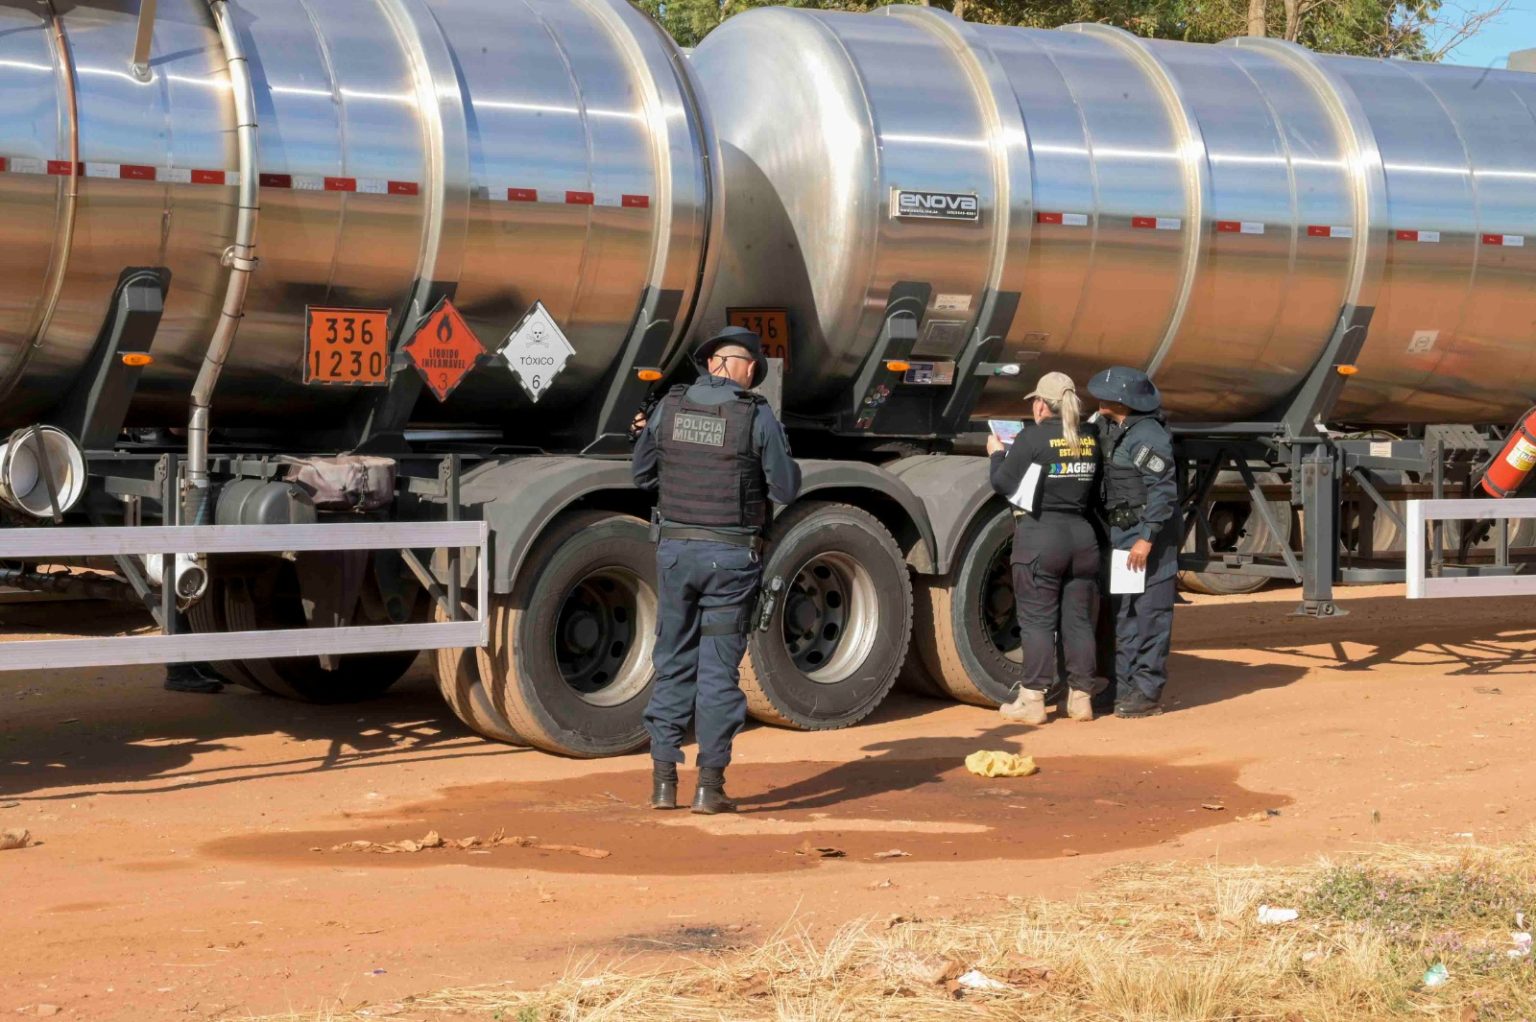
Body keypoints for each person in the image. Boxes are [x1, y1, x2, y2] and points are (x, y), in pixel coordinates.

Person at [631, 326, 802, 814]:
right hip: (730, 559)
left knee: (672, 662)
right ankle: (709, 787)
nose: (753, 377)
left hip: (675, 554)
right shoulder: (755, 413)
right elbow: (786, 488)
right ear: (741, 367)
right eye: (753, 369)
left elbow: (641, 475)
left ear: (711, 364)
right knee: (718, 672)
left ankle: (663, 783)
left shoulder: (669, 406)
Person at [985, 372, 1104, 724]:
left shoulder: (1032, 437)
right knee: (1079, 622)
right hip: (1082, 538)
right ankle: (1081, 699)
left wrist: (997, 454)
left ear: (1040, 405)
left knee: (1037, 621)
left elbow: (1002, 483)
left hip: (1041, 537)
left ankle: (1032, 700)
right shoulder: (1089, 437)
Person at [1087, 366, 1178, 718]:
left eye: (1106, 396)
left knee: (1150, 614)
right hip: (1124, 535)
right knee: (1125, 613)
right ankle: (1124, 687)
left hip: (1146, 538)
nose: (1099, 399)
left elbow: (1162, 491)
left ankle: (1147, 692)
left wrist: (1146, 538)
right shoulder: (1112, 428)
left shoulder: (1147, 436)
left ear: (1123, 402)